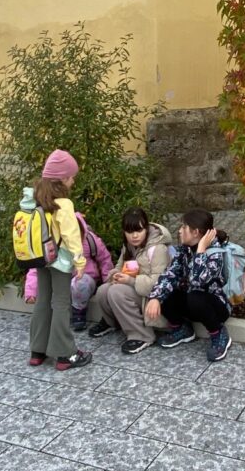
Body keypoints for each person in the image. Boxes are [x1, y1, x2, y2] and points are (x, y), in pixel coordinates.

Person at [27, 149, 92, 370]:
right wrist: (80, 261)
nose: (73, 181)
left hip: (40, 258)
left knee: (43, 299)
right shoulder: (63, 204)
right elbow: (71, 236)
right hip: (60, 261)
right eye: (72, 177)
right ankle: (65, 354)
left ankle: (37, 350)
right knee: (62, 303)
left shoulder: (35, 199)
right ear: (62, 179)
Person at [144, 208, 232, 363]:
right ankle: (182, 329)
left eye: (183, 227)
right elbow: (169, 274)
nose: (179, 231)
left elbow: (197, 281)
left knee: (195, 296)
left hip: (216, 308)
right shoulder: (184, 250)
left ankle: (218, 334)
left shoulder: (215, 253)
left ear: (196, 232)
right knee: (165, 291)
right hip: (193, 304)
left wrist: (200, 251)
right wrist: (155, 298)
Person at [88, 207, 171, 355]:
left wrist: (130, 280)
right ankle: (112, 322)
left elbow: (159, 283)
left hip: (155, 298)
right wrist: (115, 275)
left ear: (146, 228)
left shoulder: (158, 248)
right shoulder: (128, 246)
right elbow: (119, 267)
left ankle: (142, 335)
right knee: (103, 290)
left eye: (139, 230)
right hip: (137, 290)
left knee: (116, 291)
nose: (134, 236)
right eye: (129, 231)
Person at [22, 196, 113, 330]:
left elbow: (104, 259)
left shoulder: (90, 240)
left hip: (84, 279)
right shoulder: (52, 244)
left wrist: (108, 282)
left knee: (80, 284)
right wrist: (31, 291)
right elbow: (37, 268)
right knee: (50, 285)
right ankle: (54, 315)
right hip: (60, 280)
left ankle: (79, 311)